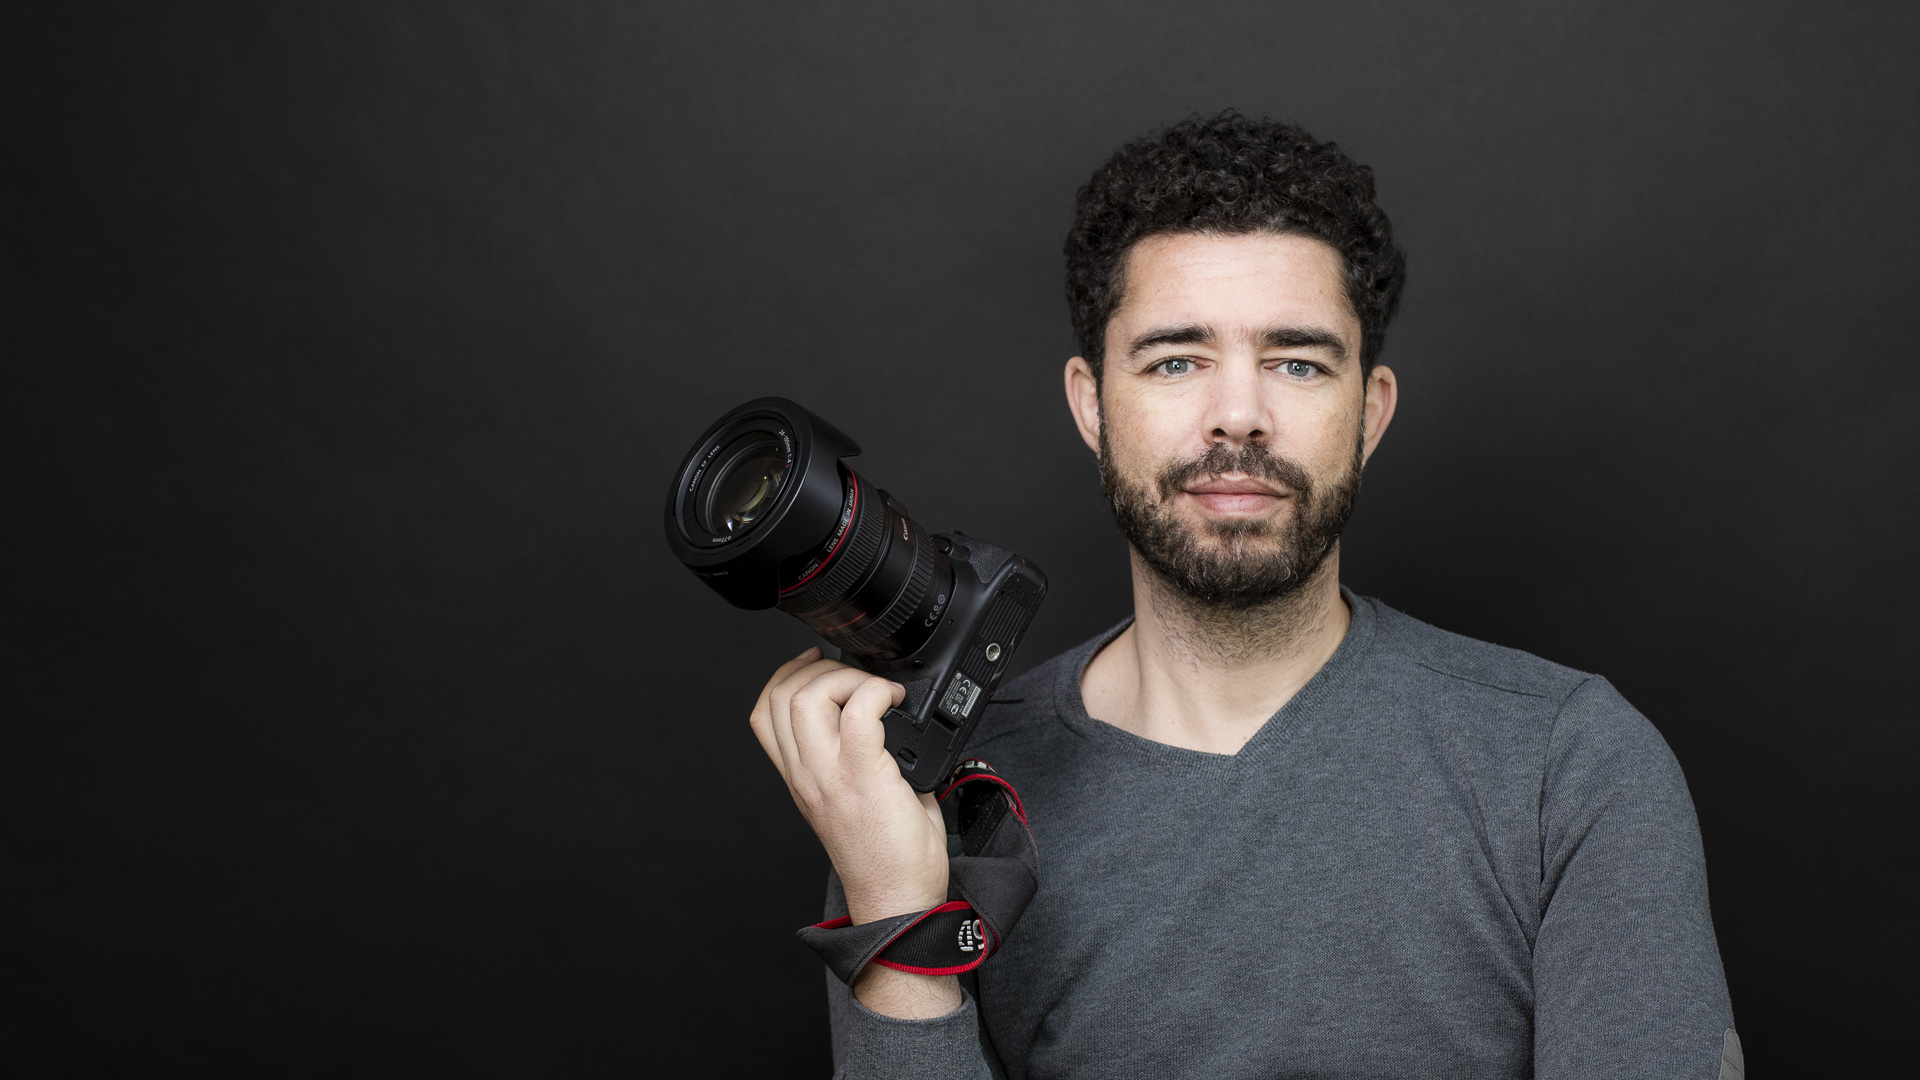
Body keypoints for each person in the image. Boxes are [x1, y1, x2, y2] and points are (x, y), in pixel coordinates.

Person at [748, 112, 1739, 1080]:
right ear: (1093, 405)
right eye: (1176, 360)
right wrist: (897, 911)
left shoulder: (1568, 765)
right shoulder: (926, 805)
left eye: (1296, 362)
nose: (1238, 416)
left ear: (1370, 413)